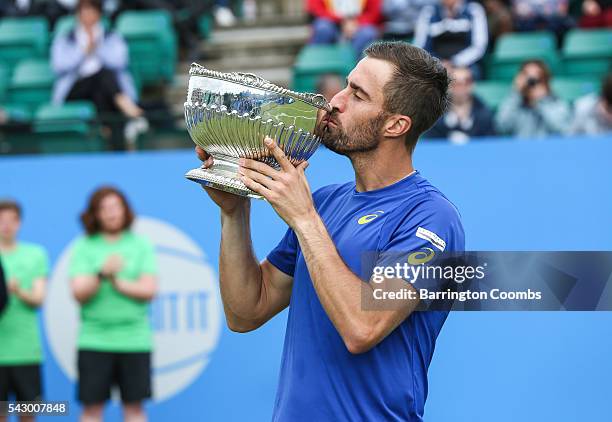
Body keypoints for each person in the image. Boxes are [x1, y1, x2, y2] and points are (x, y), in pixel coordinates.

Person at [195, 41, 465, 421]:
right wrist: (234, 211)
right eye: (345, 85)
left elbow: (362, 328)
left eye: (357, 95)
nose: (334, 101)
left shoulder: (431, 217)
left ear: (396, 125)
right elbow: (246, 312)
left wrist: (304, 220)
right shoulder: (325, 202)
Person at [69, 187, 157, 422]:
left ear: (125, 210)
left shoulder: (140, 245)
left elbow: (149, 290)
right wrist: (100, 273)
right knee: (92, 410)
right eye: (104, 208)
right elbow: (78, 292)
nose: (111, 213)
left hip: (134, 340)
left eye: (115, 207)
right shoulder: (85, 246)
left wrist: (117, 282)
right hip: (94, 340)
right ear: (95, 214)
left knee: (134, 409)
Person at [51, 0, 147, 150]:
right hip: (75, 89)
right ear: (78, 15)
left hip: (103, 91)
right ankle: (130, 112)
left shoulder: (111, 36)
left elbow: (120, 61)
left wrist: (98, 46)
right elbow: (59, 65)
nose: (88, 15)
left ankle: (110, 137)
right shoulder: (66, 38)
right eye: (84, 11)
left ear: (99, 14)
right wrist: (83, 51)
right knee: (103, 76)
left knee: (101, 87)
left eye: (92, 11)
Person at [0, 200, 49, 415]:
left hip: (26, 352)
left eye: (12, 220)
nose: (6, 225)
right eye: (1, 220)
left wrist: (17, 290)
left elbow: (39, 298)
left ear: (19, 223)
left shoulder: (35, 254)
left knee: (27, 413)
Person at [495, 59, 571, 138]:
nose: (532, 84)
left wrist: (542, 101)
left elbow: (563, 129)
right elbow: (501, 126)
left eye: (538, 80)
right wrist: (516, 92)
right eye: (528, 78)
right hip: (520, 148)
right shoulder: (514, 103)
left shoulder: (557, 103)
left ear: (546, 81)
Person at [413, 0, 488, 79]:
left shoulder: (473, 9)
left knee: (464, 76)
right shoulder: (429, 11)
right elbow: (419, 46)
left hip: (466, 63)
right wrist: (437, 63)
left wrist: (455, 62)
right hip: (434, 64)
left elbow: (479, 46)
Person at [426, 65, 496, 142]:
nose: (461, 87)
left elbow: (490, 143)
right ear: (448, 85)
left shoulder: (484, 113)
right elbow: (432, 144)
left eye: (466, 82)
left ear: (473, 84)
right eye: (456, 83)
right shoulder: (436, 114)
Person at [307, 0, 383, 57]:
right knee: (323, 29)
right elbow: (315, 8)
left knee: (368, 33)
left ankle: (350, 69)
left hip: (359, 25)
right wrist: (342, 21)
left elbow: (375, 11)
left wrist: (357, 23)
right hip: (332, 23)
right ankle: (317, 68)